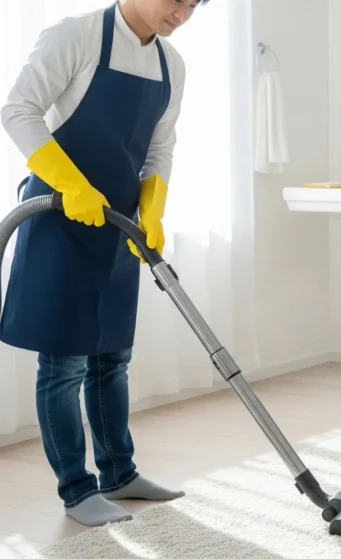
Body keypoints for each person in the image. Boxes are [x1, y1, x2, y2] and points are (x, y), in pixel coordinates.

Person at [0, 0, 206, 527]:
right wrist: (70, 184)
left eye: (195, 4)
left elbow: (160, 149)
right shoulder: (76, 36)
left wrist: (153, 212)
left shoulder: (170, 65)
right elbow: (18, 109)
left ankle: (120, 472)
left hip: (118, 222)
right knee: (64, 363)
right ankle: (76, 489)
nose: (183, 12)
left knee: (112, 357)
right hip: (59, 218)